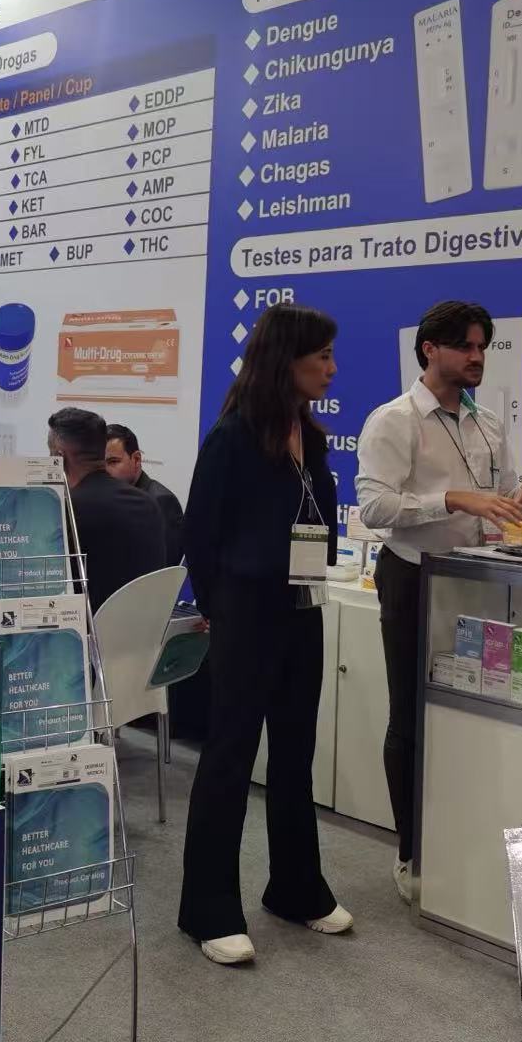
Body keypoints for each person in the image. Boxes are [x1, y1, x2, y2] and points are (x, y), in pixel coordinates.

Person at [356, 300, 522, 902]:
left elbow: (503, 491)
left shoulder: (488, 422)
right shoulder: (394, 420)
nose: (477, 358)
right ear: (430, 349)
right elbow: (374, 508)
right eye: (465, 346)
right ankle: (411, 852)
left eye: (482, 348)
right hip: (414, 576)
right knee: (411, 718)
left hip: (478, 580)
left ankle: (461, 838)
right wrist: (451, 499)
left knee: (470, 711)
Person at [176, 304, 350, 965]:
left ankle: (297, 888)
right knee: (230, 756)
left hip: (304, 607)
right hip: (247, 615)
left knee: (295, 754)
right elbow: (199, 534)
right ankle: (208, 908)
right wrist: (220, 609)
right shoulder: (232, 437)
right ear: (286, 360)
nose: (332, 369)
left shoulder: (312, 436)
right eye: (321, 357)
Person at [46, 408, 166, 615]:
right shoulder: (148, 504)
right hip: (142, 628)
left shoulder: (65, 510)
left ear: (59, 457)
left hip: (86, 629)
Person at [105, 423, 186, 562]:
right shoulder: (109, 497)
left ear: (136, 459)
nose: (105, 470)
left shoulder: (161, 501)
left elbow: (166, 566)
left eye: (113, 462)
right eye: (101, 463)